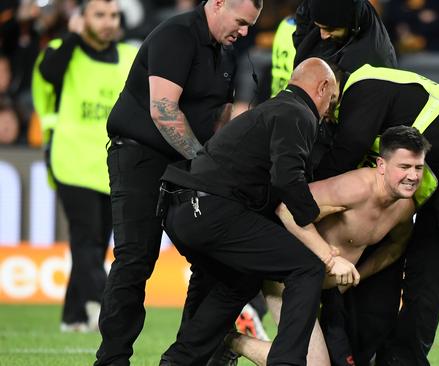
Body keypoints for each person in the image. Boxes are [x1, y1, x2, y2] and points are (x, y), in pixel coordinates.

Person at [94, 0, 262, 364]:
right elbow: (164, 110)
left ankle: (188, 358)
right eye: (241, 22)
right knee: (136, 258)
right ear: (217, 4)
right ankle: (111, 360)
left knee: (217, 260)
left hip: (185, 162)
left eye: (250, 25)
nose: (245, 32)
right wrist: (205, 164)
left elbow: (218, 117)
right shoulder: (177, 35)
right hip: (141, 157)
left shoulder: (223, 51)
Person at [157, 57, 353, 366]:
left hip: (180, 209)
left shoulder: (270, 109)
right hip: (214, 209)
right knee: (307, 268)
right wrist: (313, 222)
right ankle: (287, 362)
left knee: (237, 280)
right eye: (332, 100)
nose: (329, 110)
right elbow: (288, 180)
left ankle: (180, 361)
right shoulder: (298, 113)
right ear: (323, 86)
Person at [315, 65, 439, 366]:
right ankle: (403, 360)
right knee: (424, 271)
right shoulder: (375, 89)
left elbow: (344, 153)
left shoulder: (362, 89)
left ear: (329, 89)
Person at [227, 125, 430, 366]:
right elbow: (287, 209)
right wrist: (331, 260)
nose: (413, 176)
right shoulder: (356, 188)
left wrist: (356, 277)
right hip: (289, 282)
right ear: (381, 165)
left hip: (327, 292)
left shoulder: (404, 208)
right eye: (404, 167)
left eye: (418, 168)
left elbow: (395, 248)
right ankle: (226, 340)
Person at [32, 0, 137, 332]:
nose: (108, 22)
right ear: (82, 19)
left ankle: (73, 315)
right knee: (86, 238)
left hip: (110, 164)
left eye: (113, 15)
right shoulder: (62, 50)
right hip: (72, 159)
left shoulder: (129, 56)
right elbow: (47, 76)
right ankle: (107, 308)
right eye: (99, 15)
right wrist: (73, 36)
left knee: (97, 242)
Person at [293, 0, 396, 74]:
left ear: (350, 25)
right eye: (318, 26)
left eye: (330, 29)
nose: (322, 35)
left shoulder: (375, 59)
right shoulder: (310, 9)